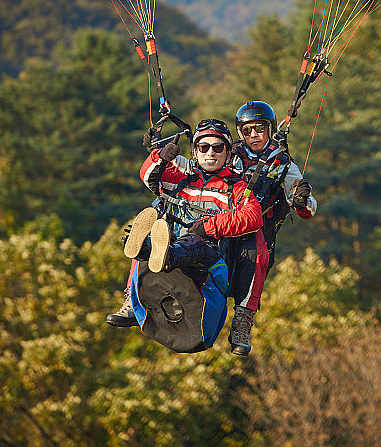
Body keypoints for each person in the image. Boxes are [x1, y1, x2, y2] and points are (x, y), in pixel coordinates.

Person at [106, 119, 269, 356]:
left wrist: (208, 227)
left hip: (210, 259)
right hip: (172, 243)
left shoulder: (236, 187)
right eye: (204, 148)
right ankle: (136, 288)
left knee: (194, 244)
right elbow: (148, 176)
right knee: (151, 224)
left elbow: (253, 217)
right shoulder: (181, 179)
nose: (210, 153)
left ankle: (162, 253)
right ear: (195, 151)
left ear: (227, 152)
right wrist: (159, 157)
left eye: (217, 148)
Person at [225, 101, 318, 351]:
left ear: (270, 128)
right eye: (247, 131)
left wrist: (300, 199)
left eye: (259, 128)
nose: (253, 135)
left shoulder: (283, 163)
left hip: (256, 229)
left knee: (258, 259)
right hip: (225, 221)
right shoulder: (229, 154)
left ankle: (242, 323)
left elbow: (309, 208)